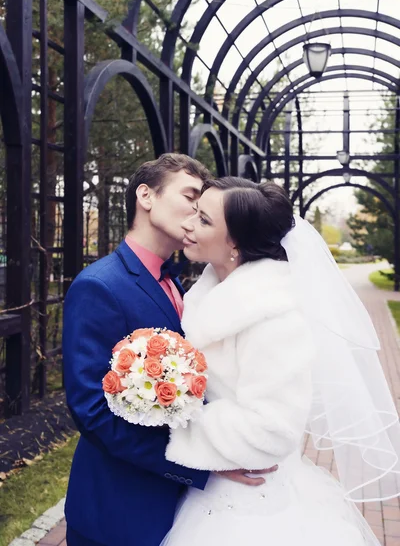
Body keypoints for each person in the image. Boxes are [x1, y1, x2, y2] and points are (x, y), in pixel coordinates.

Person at [162, 176, 400, 546]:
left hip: (248, 504)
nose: (189, 225)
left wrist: (174, 427)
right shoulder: (211, 290)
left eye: (205, 220)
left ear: (235, 243)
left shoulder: (273, 317)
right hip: (214, 483)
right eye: (194, 212)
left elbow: (272, 428)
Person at [62, 155, 274, 546]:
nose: (198, 211)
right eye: (191, 196)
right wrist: (198, 465)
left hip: (184, 512)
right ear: (146, 195)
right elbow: (92, 412)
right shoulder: (99, 285)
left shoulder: (185, 284)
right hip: (119, 509)